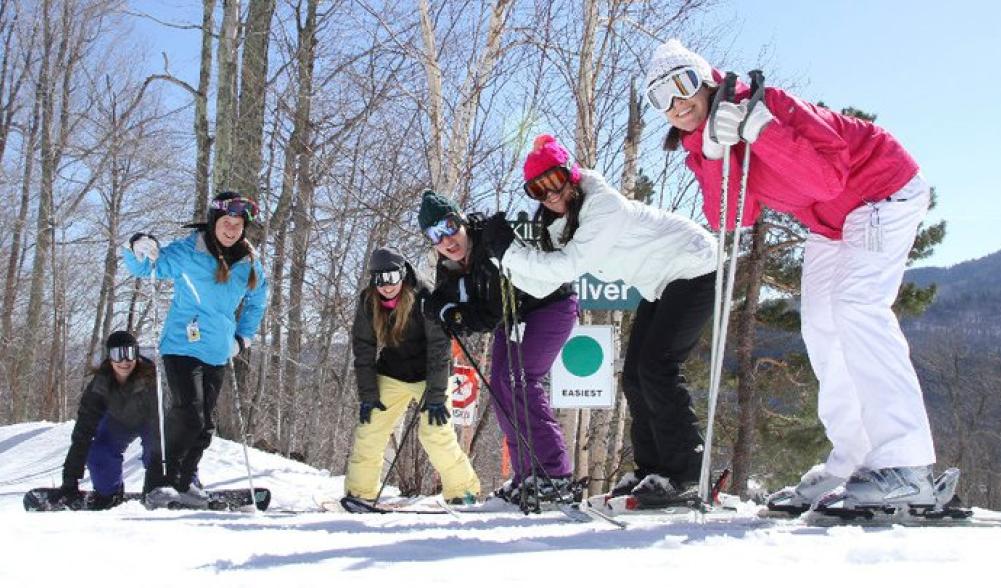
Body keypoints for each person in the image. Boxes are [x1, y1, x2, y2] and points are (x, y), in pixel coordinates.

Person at [643, 39, 940, 511]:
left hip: (881, 189)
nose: (676, 104)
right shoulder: (705, 143)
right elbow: (733, 217)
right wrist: (719, 155)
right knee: (821, 322)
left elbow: (826, 178)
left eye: (681, 85)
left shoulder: (769, 104)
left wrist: (761, 129)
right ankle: (852, 460)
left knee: (857, 305)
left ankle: (907, 462)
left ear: (705, 79)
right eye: (660, 98)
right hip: (829, 221)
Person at [493, 134, 719, 507]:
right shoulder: (559, 225)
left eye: (553, 181)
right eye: (537, 189)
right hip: (660, 283)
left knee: (657, 367)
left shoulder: (603, 206)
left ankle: (688, 474)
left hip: (695, 265)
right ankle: (652, 470)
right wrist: (502, 255)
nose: (549, 195)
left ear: (572, 174)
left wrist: (509, 253)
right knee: (634, 375)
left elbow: (568, 266)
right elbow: (545, 279)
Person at [418, 190, 578, 504]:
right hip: (513, 318)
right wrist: (438, 308)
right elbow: (451, 304)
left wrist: (455, 313)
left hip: (551, 303)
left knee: (520, 379)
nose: (447, 240)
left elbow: (486, 313)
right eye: (436, 235)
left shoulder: (489, 241)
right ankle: (527, 475)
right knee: (502, 387)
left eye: (450, 226)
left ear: (461, 220)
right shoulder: (448, 268)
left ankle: (555, 474)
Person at [123, 191, 268, 508]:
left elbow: (258, 301)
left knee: (204, 426)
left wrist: (242, 338)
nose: (231, 229)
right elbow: (148, 267)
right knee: (187, 415)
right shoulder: (190, 251)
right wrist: (136, 246)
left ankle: (185, 481)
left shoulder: (249, 262)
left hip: (218, 350)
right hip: (181, 346)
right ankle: (159, 485)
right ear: (215, 221)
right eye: (226, 222)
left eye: (238, 224)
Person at [345, 246, 480, 504]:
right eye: (379, 279)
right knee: (371, 429)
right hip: (393, 372)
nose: (386, 286)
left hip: (430, 375)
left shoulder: (424, 296)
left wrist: (437, 396)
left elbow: (440, 349)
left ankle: (464, 491)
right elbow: (363, 348)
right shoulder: (368, 301)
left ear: (402, 273)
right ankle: (360, 492)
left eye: (391, 278)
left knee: (435, 433)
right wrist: (368, 394)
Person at [53, 331, 162, 510]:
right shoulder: (100, 385)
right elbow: (83, 431)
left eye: (130, 353)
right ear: (109, 358)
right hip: (118, 422)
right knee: (99, 453)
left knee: (158, 449)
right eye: (118, 355)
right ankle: (109, 493)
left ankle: (180, 487)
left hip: (150, 423)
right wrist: (70, 478)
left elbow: (166, 427)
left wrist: (156, 479)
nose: (125, 361)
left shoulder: (152, 379)